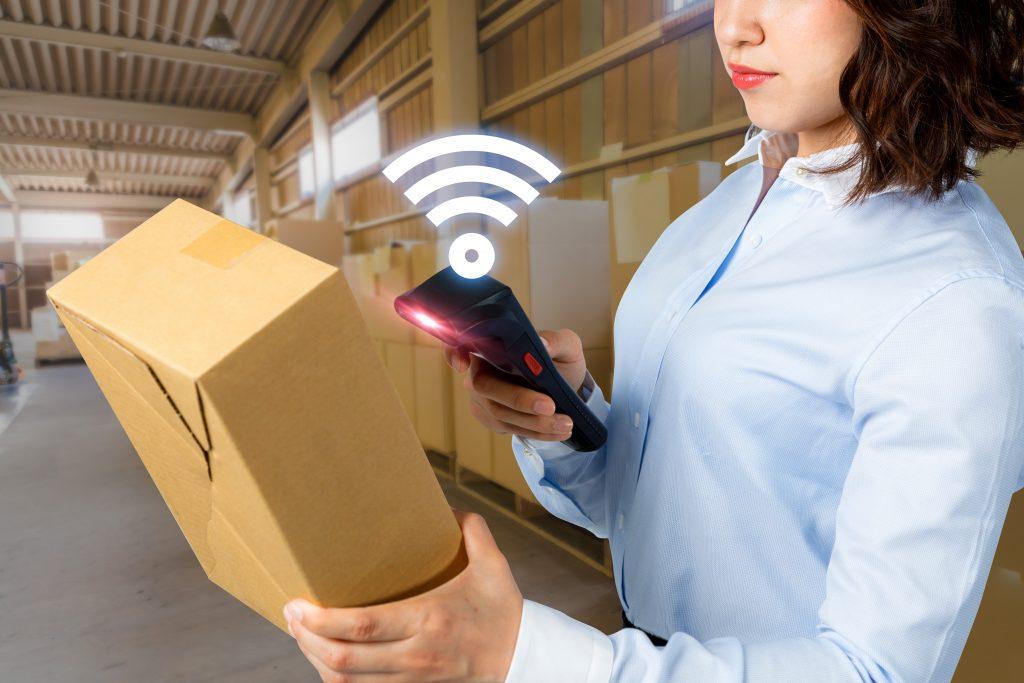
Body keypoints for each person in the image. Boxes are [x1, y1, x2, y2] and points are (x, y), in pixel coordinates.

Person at [283, 0, 1024, 680]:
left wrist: (520, 653)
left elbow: (874, 670)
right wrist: (566, 419)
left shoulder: (955, 299)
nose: (733, 26)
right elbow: (648, 502)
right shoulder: (729, 204)